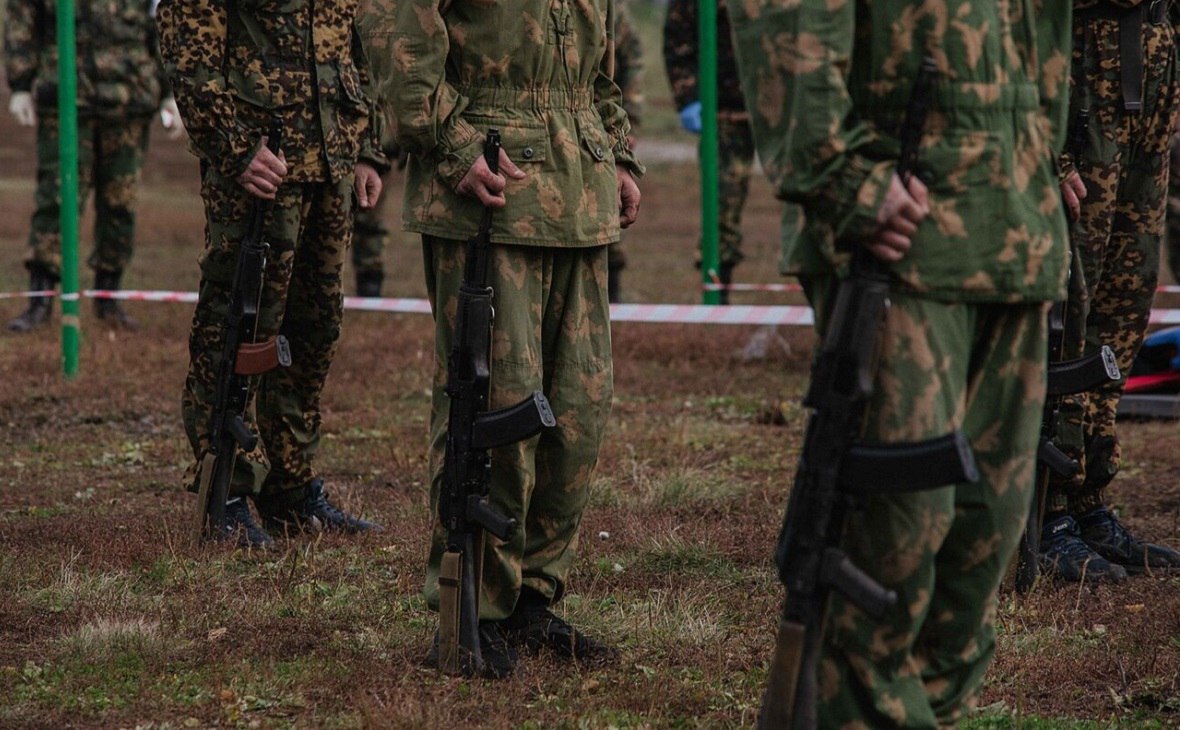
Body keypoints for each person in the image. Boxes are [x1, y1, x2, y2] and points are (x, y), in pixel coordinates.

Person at [731, 0, 1070, 726]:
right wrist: (842, 172)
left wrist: (1048, 155)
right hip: (902, 223)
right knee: (893, 540)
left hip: (1013, 222)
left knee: (982, 543)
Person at [364, 0, 642, 677]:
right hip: (489, 187)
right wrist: (455, 146)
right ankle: (471, 609)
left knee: (579, 407)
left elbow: (597, 67)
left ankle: (533, 598)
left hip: (579, 188)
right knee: (492, 405)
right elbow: (397, 37)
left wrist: (620, 153)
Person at [157, 0, 388, 547]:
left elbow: (357, 45)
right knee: (237, 327)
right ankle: (225, 491)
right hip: (261, 167)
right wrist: (236, 148)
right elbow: (188, 50)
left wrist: (366, 148)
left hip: (331, 161)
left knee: (313, 331)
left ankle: (290, 488)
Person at [1039, 0, 1180, 582]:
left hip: (1150, 67)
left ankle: (1088, 499)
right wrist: (1051, 146)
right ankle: (1046, 510)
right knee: (1075, 304)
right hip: (1081, 72)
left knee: (1123, 309)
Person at [3, 0, 179, 333]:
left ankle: (108, 296)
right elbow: (20, 17)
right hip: (67, 98)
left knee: (120, 204)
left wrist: (171, 91)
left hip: (130, 99)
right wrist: (21, 84)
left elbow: (164, 24)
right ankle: (40, 300)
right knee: (56, 200)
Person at [663, 0, 753, 305]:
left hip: (783, 108)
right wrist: (688, 96)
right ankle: (718, 305)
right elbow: (678, 39)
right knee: (721, 209)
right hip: (723, 111)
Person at [608, 0, 644, 304]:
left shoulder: (613, 9)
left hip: (604, 122)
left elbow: (631, 60)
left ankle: (613, 301)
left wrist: (628, 121)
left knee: (612, 215)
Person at [349, 132, 402, 299]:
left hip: (378, 151)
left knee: (369, 216)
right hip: (339, 146)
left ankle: (369, 279)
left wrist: (400, 141)